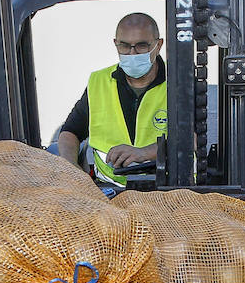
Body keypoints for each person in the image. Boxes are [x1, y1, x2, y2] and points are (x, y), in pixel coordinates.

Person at [56, 12, 167, 188]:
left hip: (169, 189)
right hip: (109, 189)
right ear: (115, 44)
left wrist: (145, 153)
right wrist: (71, 168)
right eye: (124, 46)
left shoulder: (178, 83)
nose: (132, 53)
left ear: (158, 45)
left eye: (141, 45)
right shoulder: (99, 83)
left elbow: (193, 138)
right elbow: (70, 132)